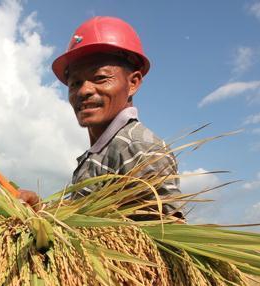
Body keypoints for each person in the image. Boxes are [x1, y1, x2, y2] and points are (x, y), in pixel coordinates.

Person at [19, 16, 183, 219]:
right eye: (75, 83)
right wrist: (39, 209)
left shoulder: (137, 147)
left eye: (100, 78)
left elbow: (165, 236)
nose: (84, 90)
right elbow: (84, 221)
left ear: (133, 83)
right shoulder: (99, 153)